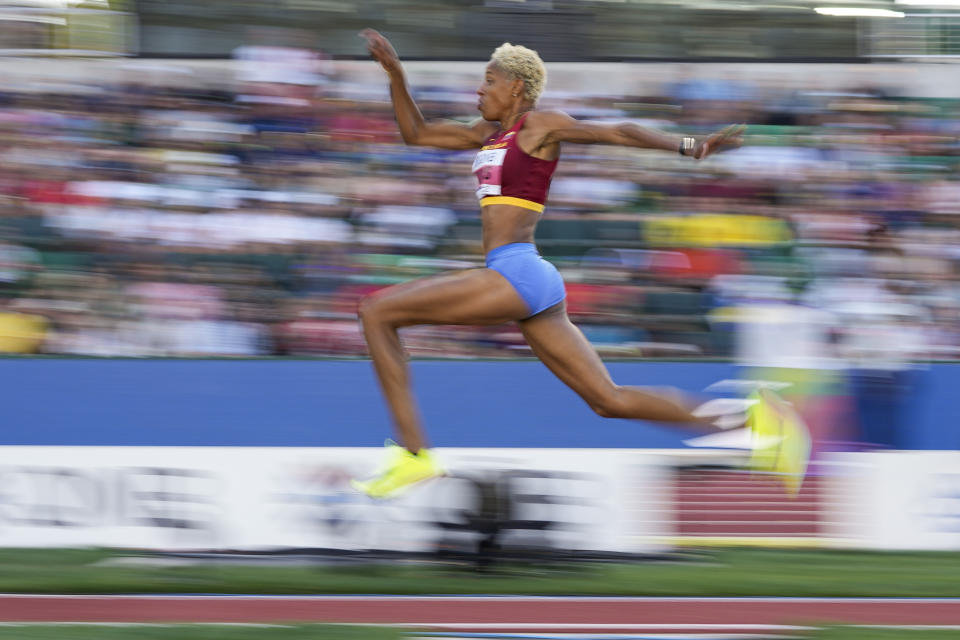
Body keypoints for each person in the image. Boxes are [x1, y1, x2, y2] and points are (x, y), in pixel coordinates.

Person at [352, 29, 806, 499]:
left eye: (489, 80)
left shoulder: (539, 125)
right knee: (609, 401)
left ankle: (413, 456)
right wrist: (396, 74)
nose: (480, 90)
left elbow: (616, 131)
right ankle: (753, 419)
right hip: (532, 282)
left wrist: (689, 145)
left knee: (377, 312)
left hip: (515, 274)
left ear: (517, 89)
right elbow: (417, 133)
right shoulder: (487, 134)